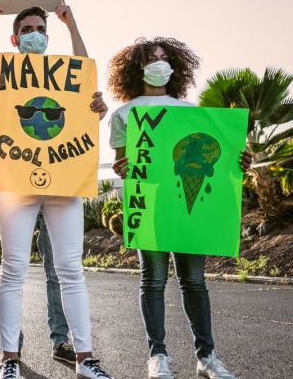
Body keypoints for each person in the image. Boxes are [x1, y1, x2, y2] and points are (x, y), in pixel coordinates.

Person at [0, 0, 114, 379]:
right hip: (16, 183)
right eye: (26, 31)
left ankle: (86, 358)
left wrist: (71, 25)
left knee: (71, 269)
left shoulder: (68, 74)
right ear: (15, 39)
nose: (34, 35)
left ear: (48, 37)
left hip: (64, 180)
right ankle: (9, 359)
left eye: (40, 30)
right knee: (13, 270)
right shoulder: (1, 77)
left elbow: (85, 72)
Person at [108, 37, 252, 379]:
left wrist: (240, 160)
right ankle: (157, 357)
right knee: (152, 281)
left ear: (176, 68)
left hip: (192, 210)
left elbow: (220, 157)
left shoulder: (192, 113)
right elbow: (122, 165)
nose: (160, 64)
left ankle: (207, 358)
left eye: (165, 58)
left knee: (194, 282)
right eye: (152, 59)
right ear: (136, 69)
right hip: (151, 206)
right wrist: (122, 169)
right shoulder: (124, 115)